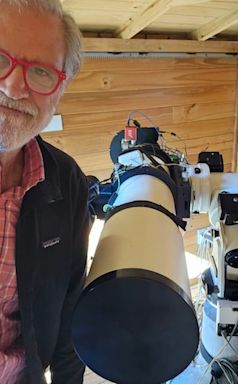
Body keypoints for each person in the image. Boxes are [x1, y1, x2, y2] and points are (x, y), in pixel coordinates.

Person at [0, 0, 88, 383]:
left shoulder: (66, 181)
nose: (14, 86)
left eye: (39, 71)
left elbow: (71, 303)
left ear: (60, 88)